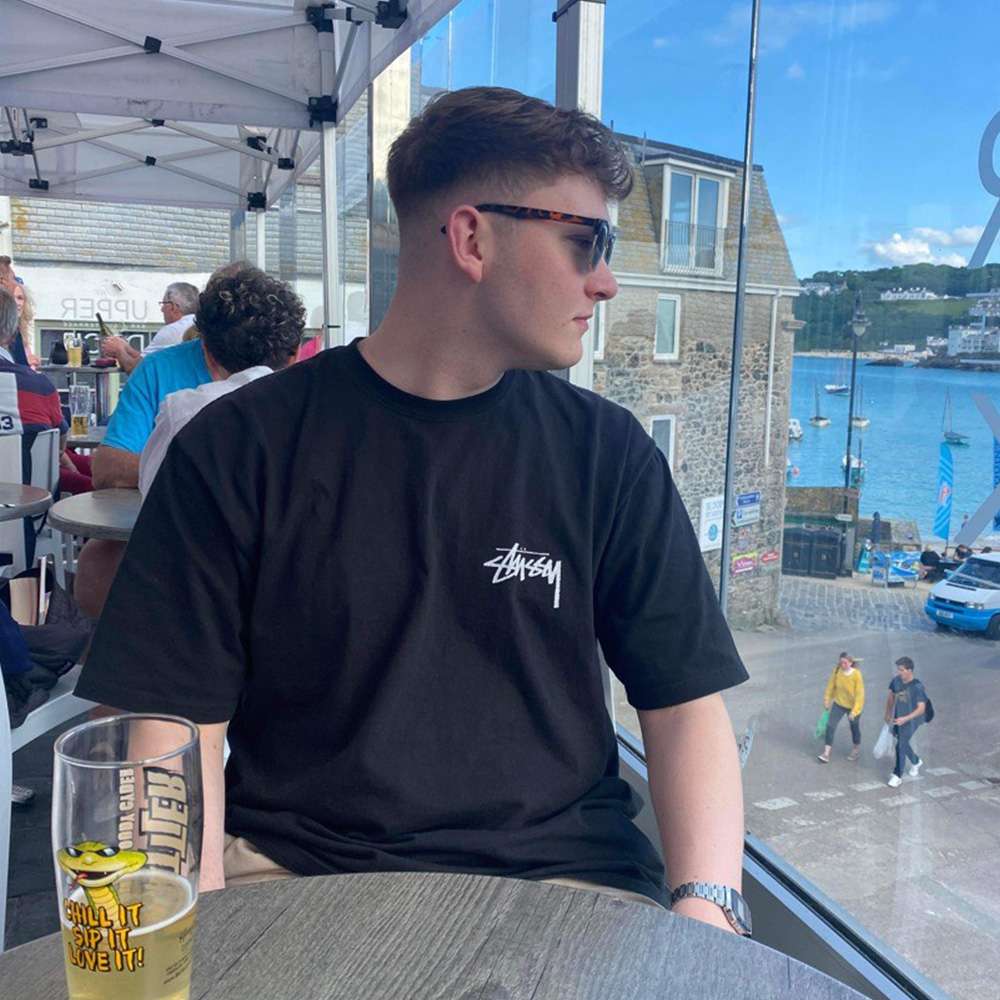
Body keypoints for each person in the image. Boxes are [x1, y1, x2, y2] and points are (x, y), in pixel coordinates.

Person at [77, 87, 752, 934]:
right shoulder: (238, 449)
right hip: (293, 878)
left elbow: (685, 705)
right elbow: (170, 728)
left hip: (568, 886)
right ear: (472, 238)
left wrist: (709, 906)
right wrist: (188, 936)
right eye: (585, 242)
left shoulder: (606, 455)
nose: (606, 281)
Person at [139, 267, 303, 496]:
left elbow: (153, 495)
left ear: (208, 354)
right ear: (295, 353)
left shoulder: (182, 414)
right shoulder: (327, 416)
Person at [0, 287, 91, 496]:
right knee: (91, 486)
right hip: (29, 502)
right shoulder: (39, 386)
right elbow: (59, 445)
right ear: (12, 334)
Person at [100, 281, 199, 374]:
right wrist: (126, 348)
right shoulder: (196, 323)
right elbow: (148, 359)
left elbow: (137, 370)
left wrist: (118, 350)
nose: (162, 309)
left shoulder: (172, 330)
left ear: (172, 307)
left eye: (163, 304)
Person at [884, 655, 926, 787]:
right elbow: (891, 696)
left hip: (913, 719)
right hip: (899, 717)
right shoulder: (896, 681)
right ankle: (916, 761)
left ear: (910, 670)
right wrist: (888, 713)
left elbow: (921, 708)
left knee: (900, 745)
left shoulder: (917, 686)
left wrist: (905, 719)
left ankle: (897, 775)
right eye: (898, 669)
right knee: (902, 741)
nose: (899, 672)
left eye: (901, 670)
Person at [817, 653, 864, 763]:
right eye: (841, 662)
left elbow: (860, 695)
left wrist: (854, 712)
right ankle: (826, 754)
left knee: (854, 727)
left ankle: (856, 748)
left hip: (853, 707)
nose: (842, 665)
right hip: (839, 704)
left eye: (845, 663)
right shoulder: (837, 671)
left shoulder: (856, 675)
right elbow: (830, 686)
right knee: (830, 726)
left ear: (851, 663)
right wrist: (827, 699)